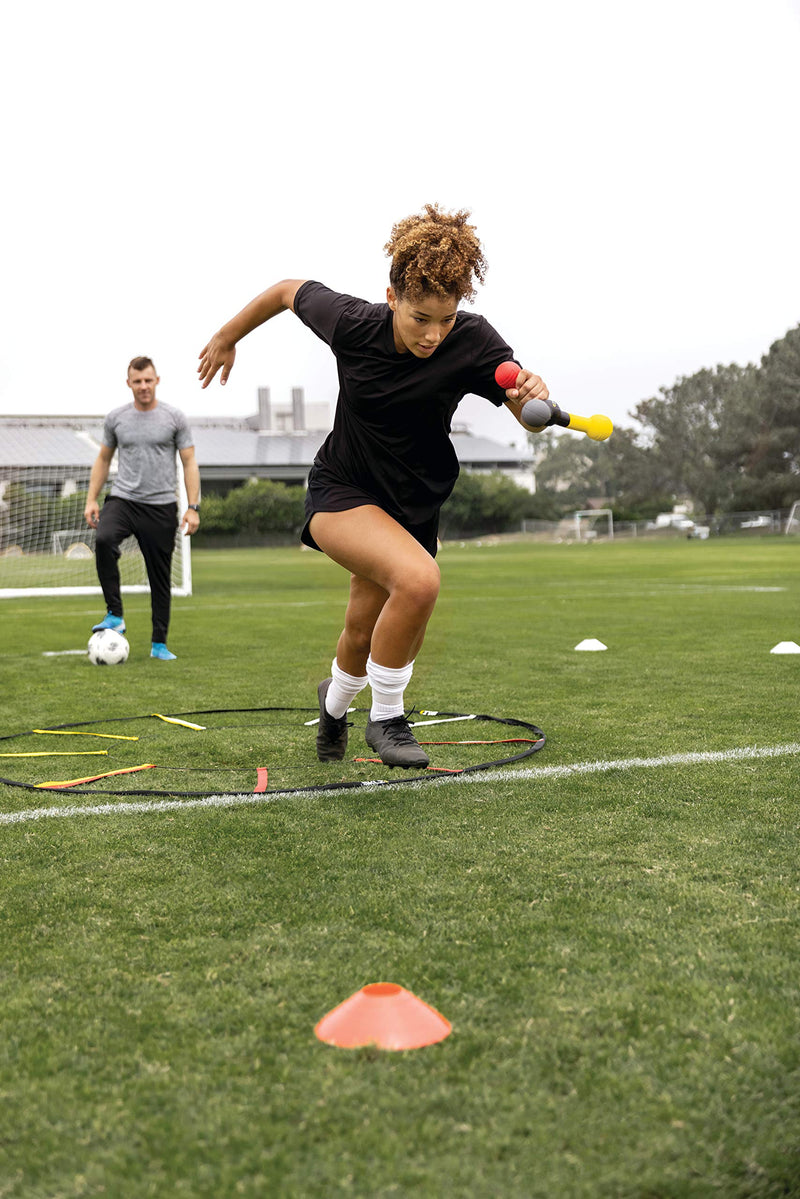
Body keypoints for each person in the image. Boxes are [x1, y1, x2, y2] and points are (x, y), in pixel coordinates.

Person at [197, 203, 549, 764]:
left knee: (364, 627)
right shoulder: (352, 323)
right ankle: (387, 718)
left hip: (414, 504)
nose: (434, 334)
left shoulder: (474, 340)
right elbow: (288, 290)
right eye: (419, 318)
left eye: (446, 319)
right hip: (343, 491)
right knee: (419, 581)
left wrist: (527, 394)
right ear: (392, 298)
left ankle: (333, 709)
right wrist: (227, 334)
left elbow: (515, 403)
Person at [84, 356, 201, 660]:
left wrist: (192, 506)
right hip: (123, 499)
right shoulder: (116, 418)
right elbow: (103, 459)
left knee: (159, 577)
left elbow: (189, 462)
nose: (143, 386)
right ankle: (115, 614)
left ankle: (159, 644)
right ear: (129, 384)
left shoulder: (174, 418)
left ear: (157, 380)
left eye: (148, 380)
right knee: (104, 539)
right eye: (137, 381)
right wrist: (91, 498)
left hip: (161, 505)